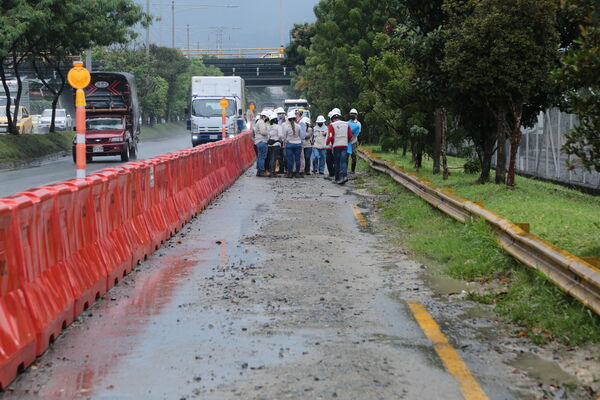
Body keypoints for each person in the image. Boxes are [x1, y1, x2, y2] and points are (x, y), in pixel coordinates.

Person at [326, 108, 352, 184]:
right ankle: (344, 176)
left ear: (332, 118)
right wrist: (345, 141)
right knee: (343, 161)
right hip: (344, 145)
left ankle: (337, 178)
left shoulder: (332, 125)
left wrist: (329, 142)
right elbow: (350, 135)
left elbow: (330, 136)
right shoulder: (346, 124)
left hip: (336, 146)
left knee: (337, 162)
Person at [283, 111, 303, 178]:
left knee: (290, 159)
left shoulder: (286, 127)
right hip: (298, 144)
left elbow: (284, 137)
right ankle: (297, 173)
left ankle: (290, 173)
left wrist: (285, 142)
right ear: (295, 118)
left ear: (288, 119)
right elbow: (301, 136)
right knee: (297, 159)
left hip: (289, 144)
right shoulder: (298, 126)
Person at [267, 112, 284, 176]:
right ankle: (273, 172)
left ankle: (271, 170)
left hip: (270, 145)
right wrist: (281, 141)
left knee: (271, 158)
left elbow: (268, 137)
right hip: (276, 144)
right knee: (275, 158)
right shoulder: (278, 127)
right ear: (275, 120)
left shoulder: (269, 127)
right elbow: (280, 135)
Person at [254, 111, 270, 177]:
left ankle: (259, 171)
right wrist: (268, 131)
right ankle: (262, 171)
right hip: (262, 141)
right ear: (264, 116)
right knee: (262, 157)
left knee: (260, 157)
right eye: (266, 117)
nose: (267, 119)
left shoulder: (259, 122)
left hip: (258, 141)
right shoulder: (261, 122)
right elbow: (263, 132)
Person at [348, 108, 362, 174]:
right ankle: (345, 169)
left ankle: (352, 170)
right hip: (347, 142)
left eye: (354, 114)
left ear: (356, 115)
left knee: (354, 156)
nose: (353, 115)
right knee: (346, 156)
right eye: (351, 114)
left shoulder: (358, 123)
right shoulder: (347, 123)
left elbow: (357, 133)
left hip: (354, 141)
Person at [324, 111, 336, 180]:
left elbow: (331, 135)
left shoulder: (332, 125)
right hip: (332, 145)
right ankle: (332, 174)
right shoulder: (332, 125)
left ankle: (332, 174)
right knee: (331, 161)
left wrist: (327, 142)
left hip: (330, 145)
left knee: (330, 160)